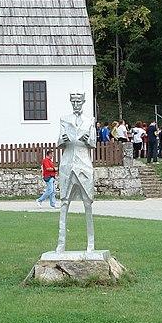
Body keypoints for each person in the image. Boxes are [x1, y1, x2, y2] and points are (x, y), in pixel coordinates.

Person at [56, 93, 97, 253]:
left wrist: (88, 139)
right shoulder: (64, 119)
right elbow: (59, 141)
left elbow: (93, 143)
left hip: (84, 164)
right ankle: (61, 243)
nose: (76, 104)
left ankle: (91, 243)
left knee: (88, 203)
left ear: (83, 102)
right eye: (73, 101)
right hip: (67, 164)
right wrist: (63, 139)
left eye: (78, 101)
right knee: (64, 203)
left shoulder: (89, 120)